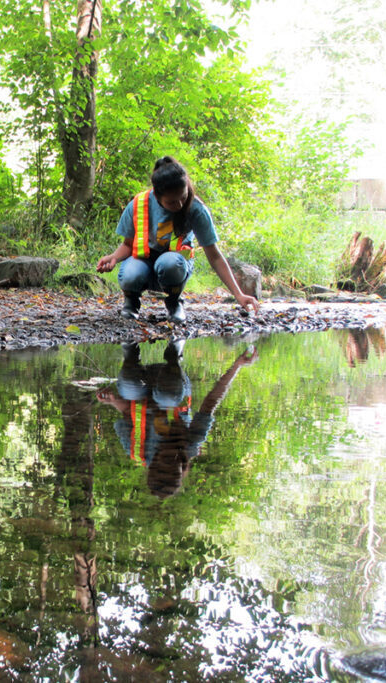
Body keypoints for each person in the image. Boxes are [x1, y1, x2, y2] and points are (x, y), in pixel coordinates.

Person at [96, 156, 260, 323]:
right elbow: (128, 245)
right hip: (144, 261)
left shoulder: (196, 209)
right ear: (157, 195)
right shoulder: (139, 204)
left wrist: (238, 294)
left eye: (183, 197)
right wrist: (114, 258)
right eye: (172, 202)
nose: (180, 205)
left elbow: (215, 256)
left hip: (174, 265)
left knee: (170, 263)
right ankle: (131, 303)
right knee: (130, 273)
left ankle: (174, 302)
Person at [97, 341, 257, 498]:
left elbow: (127, 411)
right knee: (167, 399)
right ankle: (175, 352)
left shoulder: (137, 451)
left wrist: (113, 401)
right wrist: (237, 365)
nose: (168, 463)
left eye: (160, 467)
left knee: (128, 389)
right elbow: (210, 402)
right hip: (172, 383)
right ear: (181, 469)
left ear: (152, 468)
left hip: (142, 382)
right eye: (172, 468)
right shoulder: (191, 445)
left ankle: (130, 347)